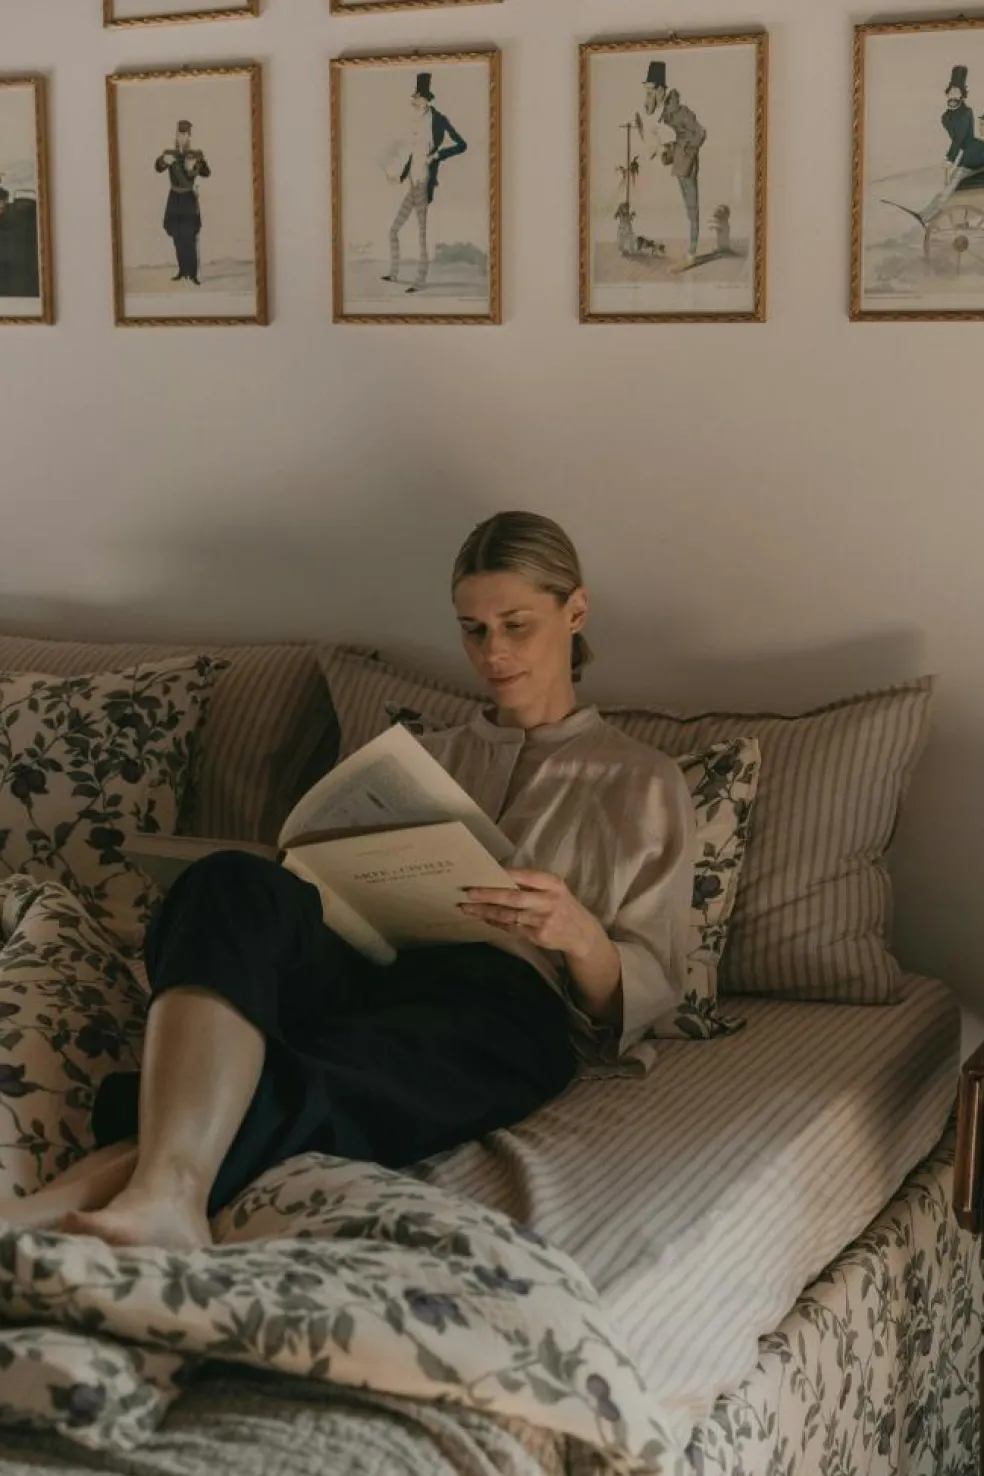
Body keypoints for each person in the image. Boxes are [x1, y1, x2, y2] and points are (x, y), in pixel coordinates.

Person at [0, 512, 695, 1251]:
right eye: (473, 629)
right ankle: (152, 1193)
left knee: (330, 1074)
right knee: (228, 880)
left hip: (502, 1006)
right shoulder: (419, 757)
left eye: (515, 625)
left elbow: (654, 985)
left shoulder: (643, 781)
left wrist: (579, 935)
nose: (492, 652)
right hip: (367, 961)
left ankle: (97, 1201)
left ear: (575, 611)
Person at [382, 72, 467, 294]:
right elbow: (414, 154)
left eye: (417, 98)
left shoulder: (438, 120)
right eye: (414, 98)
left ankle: (420, 280)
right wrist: (400, 177)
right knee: (394, 230)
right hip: (412, 181)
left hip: (424, 182)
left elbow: (462, 144)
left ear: (425, 100)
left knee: (422, 234)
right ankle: (394, 273)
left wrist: (437, 155)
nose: (414, 101)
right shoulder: (417, 121)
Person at [640, 60, 706, 259]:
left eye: (651, 92)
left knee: (692, 206)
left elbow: (700, 133)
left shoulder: (680, 111)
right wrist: (670, 150)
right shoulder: (664, 109)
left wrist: (686, 153)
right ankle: (691, 249)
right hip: (679, 161)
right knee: (688, 207)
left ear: (661, 90)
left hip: (687, 163)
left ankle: (692, 250)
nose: (649, 96)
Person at [916, 65, 984, 224]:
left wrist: (950, 158)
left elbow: (959, 138)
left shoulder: (966, 112)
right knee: (954, 185)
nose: (954, 94)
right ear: (947, 94)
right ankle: (959, 220)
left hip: (975, 153)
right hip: (968, 153)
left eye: (957, 92)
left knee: (953, 182)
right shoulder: (945, 117)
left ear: (962, 96)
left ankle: (926, 215)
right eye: (951, 91)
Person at [155, 120, 211, 286]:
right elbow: (157, 167)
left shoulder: (196, 154)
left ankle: (192, 274)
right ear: (176, 135)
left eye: (185, 134)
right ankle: (182, 271)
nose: (182, 137)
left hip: (188, 198)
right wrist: (163, 161)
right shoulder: (169, 153)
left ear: (189, 137)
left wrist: (197, 166)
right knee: (177, 236)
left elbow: (207, 172)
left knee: (189, 236)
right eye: (179, 134)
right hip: (174, 198)